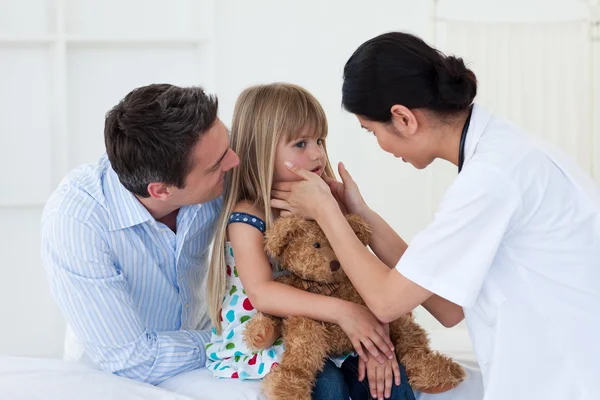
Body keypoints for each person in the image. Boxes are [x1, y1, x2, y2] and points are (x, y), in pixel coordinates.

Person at [271, 32, 600, 400]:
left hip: (567, 382)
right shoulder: (506, 156)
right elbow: (448, 307)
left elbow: (386, 301)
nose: (380, 145)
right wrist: (360, 212)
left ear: (403, 118)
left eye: (372, 132)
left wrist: (328, 213)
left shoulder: (491, 180)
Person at [205, 83, 415, 400]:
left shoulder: (328, 206)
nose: (317, 153)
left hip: (333, 332)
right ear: (261, 148)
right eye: (301, 144)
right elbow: (262, 293)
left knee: (392, 382)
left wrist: (373, 329)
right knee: (325, 384)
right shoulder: (248, 216)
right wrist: (346, 312)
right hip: (276, 335)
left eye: (319, 140)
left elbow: (360, 277)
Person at [41, 84, 240, 385]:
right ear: (161, 191)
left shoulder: (208, 166)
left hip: (204, 363)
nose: (235, 161)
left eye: (227, 145)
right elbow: (130, 360)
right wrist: (233, 339)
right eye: (217, 165)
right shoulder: (77, 221)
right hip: (113, 380)